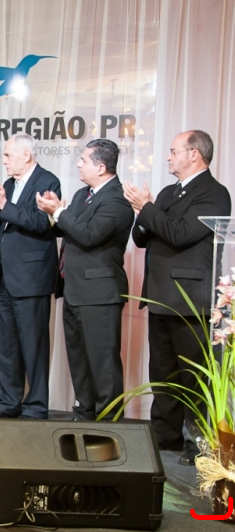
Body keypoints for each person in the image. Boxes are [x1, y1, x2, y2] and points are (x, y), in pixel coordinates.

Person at [123, 130, 232, 466]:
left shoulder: (214, 193)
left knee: (193, 376)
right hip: (160, 295)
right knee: (163, 372)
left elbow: (181, 233)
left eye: (174, 151)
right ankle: (164, 436)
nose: (168, 157)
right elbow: (143, 238)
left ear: (194, 154)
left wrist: (147, 209)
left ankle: (199, 443)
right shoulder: (169, 192)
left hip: (191, 298)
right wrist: (142, 213)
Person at [36, 139, 134, 421]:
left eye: (84, 160)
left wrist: (58, 212)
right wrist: (54, 213)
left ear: (101, 167)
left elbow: (90, 234)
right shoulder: (82, 195)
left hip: (100, 292)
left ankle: (110, 420)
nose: (78, 164)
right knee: (78, 357)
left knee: (103, 362)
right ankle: (85, 412)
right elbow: (69, 229)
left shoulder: (117, 199)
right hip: (74, 288)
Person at [0, 134, 60, 420]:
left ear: (26, 155)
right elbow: (1, 229)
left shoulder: (47, 181)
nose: (4, 161)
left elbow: (41, 223)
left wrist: (4, 205)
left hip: (32, 278)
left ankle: (36, 406)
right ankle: (8, 402)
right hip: (5, 277)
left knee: (34, 346)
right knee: (7, 346)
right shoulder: (9, 185)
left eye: (7, 155)